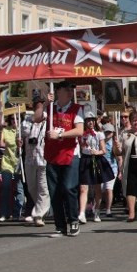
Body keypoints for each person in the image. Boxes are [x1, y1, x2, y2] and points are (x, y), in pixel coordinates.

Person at [44, 82, 85, 237]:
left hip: (70, 154)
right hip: (52, 155)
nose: (69, 92)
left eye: (70, 90)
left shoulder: (76, 109)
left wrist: (60, 135)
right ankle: (60, 226)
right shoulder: (50, 109)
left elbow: (79, 130)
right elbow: (37, 118)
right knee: (54, 192)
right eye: (65, 90)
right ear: (57, 92)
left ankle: (73, 220)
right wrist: (46, 103)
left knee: (68, 188)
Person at [77, 115, 108, 224]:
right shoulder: (81, 134)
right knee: (83, 188)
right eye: (88, 121)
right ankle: (82, 213)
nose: (90, 122)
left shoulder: (99, 134)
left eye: (92, 120)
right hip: (85, 160)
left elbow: (104, 150)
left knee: (97, 189)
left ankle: (97, 211)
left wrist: (97, 152)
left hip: (95, 160)